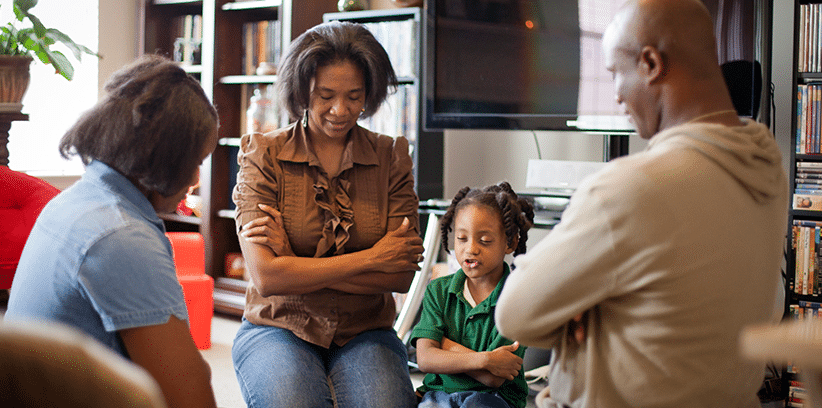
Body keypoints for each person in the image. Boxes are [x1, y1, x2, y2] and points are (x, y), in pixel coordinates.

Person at [495, 1, 788, 407]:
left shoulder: (630, 187)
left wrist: (588, 310)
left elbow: (513, 314)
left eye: (616, 73)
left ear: (651, 63)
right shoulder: (768, 165)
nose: (615, 95)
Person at [5, 55, 219, 408]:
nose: (196, 180)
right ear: (165, 156)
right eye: (195, 162)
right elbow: (189, 397)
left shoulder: (76, 201)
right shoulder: (121, 237)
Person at [231, 21, 424, 408]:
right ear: (302, 91)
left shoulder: (391, 156)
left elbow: (401, 275)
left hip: (366, 329)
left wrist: (295, 266)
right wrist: (373, 258)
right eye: (326, 95)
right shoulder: (263, 154)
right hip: (278, 325)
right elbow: (268, 277)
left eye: (354, 96)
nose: (341, 110)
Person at [411, 181, 534, 408]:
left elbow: (493, 378)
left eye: (485, 240)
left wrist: (443, 345)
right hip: (437, 394)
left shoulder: (517, 298)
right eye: (461, 238)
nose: (470, 249)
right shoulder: (437, 290)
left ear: (511, 242)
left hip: (494, 399)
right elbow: (425, 359)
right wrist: (485, 359)